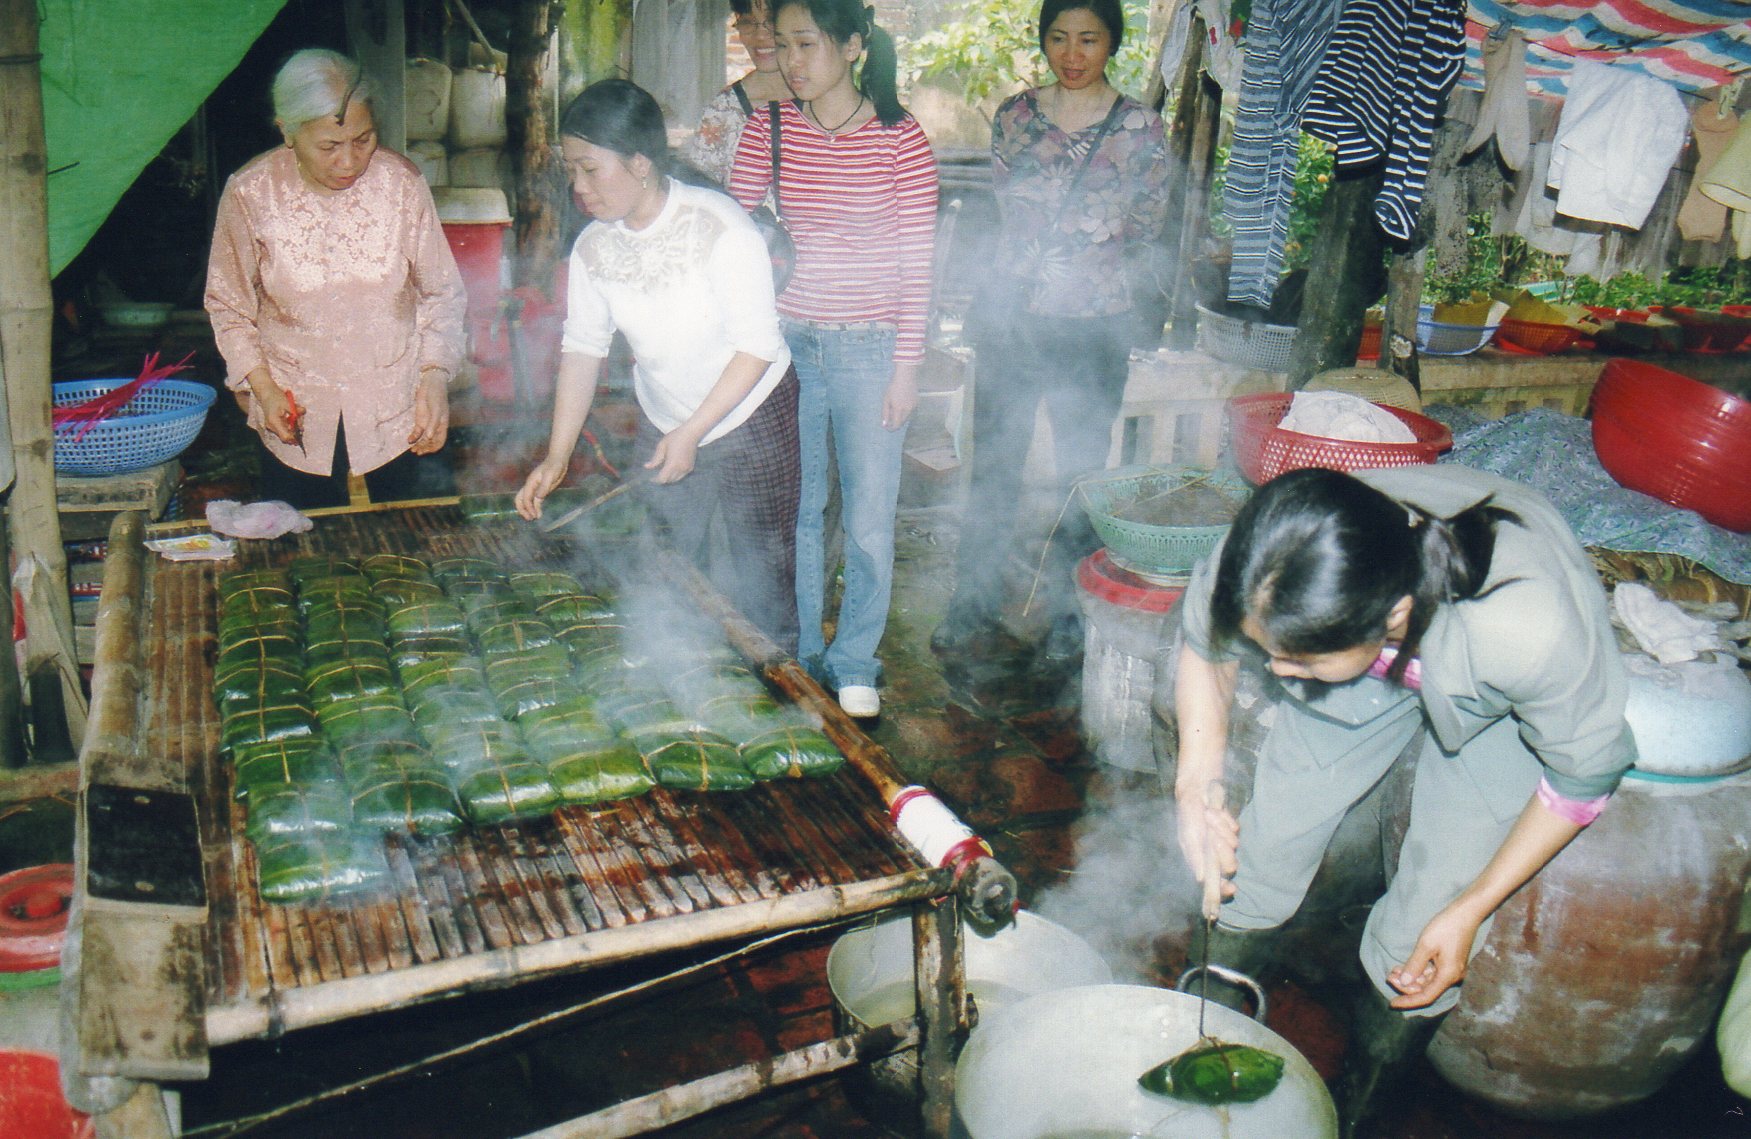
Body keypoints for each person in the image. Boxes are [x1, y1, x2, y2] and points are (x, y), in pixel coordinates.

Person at [1170, 465, 1635, 1136]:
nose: (1273, 675)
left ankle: (1354, 1114)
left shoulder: (1528, 633)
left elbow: (1580, 777)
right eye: (1268, 651)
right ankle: (1195, 1050)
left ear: (1387, 618)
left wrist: (1471, 909)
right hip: (1351, 650)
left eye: (1291, 661)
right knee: (1258, 852)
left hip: (1494, 696)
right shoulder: (1267, 562)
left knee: (1425, 928)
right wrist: (1196, 787)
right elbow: (1205, 645)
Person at [516, 79, 801, 653]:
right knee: (668, 568)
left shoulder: (718, 226)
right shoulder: (595, 246)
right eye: (571, 171)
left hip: (752, 415)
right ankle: (683, 682)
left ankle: (787, 709)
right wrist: (557, 455)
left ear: (640, 162)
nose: (579, 188)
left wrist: (693, 431)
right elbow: (583, 348)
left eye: (590, 170)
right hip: (666, 416)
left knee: (764, 574)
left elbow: (757, 345)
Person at [930, 0, 1168, 666]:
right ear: (1043, 41)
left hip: (1095, 328)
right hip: (1014, 320)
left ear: (1111, 44)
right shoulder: (1015, 116)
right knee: (994, 470)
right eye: (1058, 38)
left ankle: (1071, 618)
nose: (1072, 53)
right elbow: (1006, 210)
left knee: (1080, 475)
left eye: (1088, 39)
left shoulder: (1140, 126)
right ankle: (968, 603)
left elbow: (1148, 224)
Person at [727, 0, 937, 720]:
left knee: (870, 519)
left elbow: (918, 264)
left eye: (805, 44)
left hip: (870, 346)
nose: (790, 60)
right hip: (790, 343)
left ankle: (854, 659)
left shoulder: (899, 138)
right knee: (802, 508)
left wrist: (907, 367)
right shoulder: (770, 125)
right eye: (781, 46)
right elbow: (728, 223)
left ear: (852, 45)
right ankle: (809, 653)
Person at [206, 48, 466, 510]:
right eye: (329, 146)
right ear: (287, 132)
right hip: (296, 412)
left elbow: (442, 292)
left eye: (364, 140)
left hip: (399, 413)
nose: (349, 161)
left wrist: (434, 378)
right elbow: (228, 304)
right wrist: (261, 388)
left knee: (419, 545)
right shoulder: (251, 193)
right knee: (306, 553)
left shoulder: (400, 184)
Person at [681, 0, 792, 185]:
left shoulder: (823, 101)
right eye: (748, 22)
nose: (760, 35)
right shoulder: (724, 111)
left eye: (772, 21)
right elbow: (702, 194)